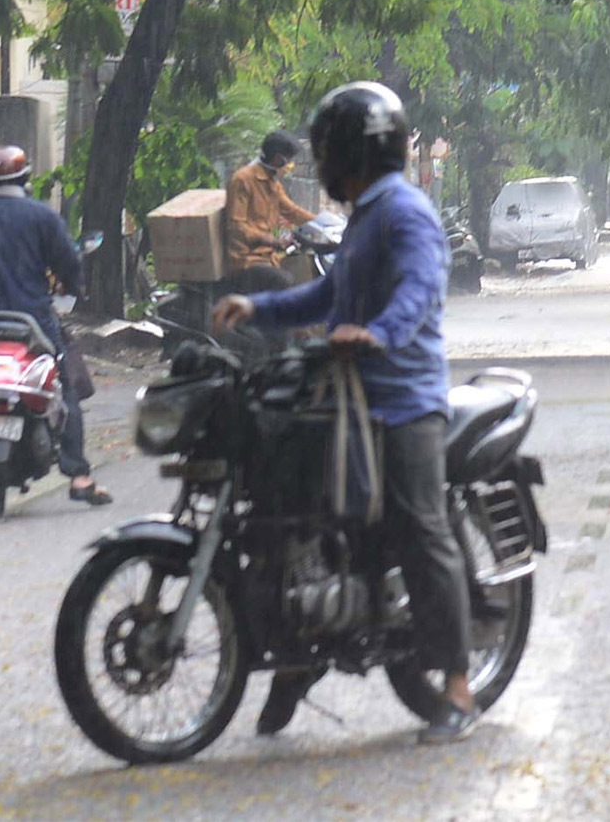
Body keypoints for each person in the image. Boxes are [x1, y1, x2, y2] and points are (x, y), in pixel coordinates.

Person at [211, 82, 477, 744]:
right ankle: (301, 651)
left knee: (421, 526)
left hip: (403, 398)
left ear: (360, 153)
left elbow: (420, 286)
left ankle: (457, 688)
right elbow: (329, 294)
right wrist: (259, 309)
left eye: (330, 150)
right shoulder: (362, 216)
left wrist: (381, 331)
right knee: (295, 509)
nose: (322, 163)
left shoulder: (405, 212)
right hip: (348, 393)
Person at [0, 146, 112, 505]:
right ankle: (78, 475)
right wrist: (74, 284)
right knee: (64, 384)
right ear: (25, 179)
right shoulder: (42, 217)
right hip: (32, 320)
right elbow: (68, 265)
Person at [224, 130, 316, 292]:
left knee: (303, 276)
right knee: (284, 281)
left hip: (269, 258)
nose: (290, 164)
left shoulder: (273, 184)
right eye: (289, 159)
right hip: (246, 260)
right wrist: (273, 241)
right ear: (279, 158)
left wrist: (323, 223)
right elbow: (237, 227)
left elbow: (292, 211)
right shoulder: (243, 179)